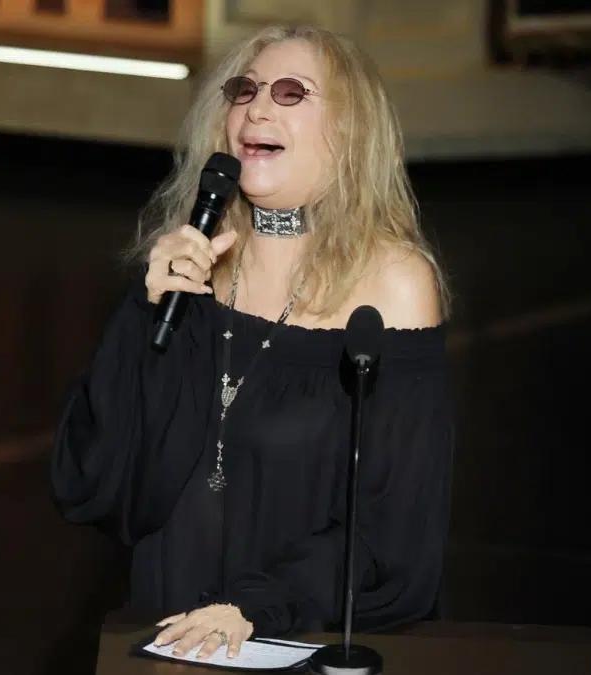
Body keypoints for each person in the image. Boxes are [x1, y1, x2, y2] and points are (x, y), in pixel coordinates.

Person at [50, 24, 455, 661]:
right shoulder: (189, 272)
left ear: (350, 129)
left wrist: (254, 607)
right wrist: (144, 315)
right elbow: (98, 479)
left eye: (291, 92)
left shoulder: (394, 284)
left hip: (294, 635)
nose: (257, 108)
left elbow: (393, 526)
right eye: (245, 89)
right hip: (170, 631)